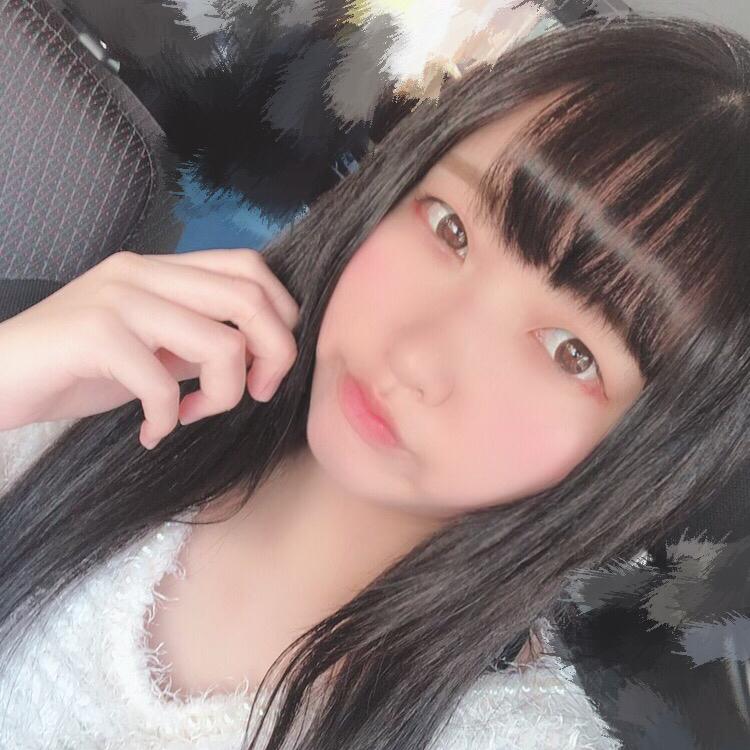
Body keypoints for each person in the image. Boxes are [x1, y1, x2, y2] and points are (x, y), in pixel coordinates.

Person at [1, 11, 749, 749]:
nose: (416, 357)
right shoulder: (95, 386)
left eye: (570, 352)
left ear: (654, 448)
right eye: (450, 228)